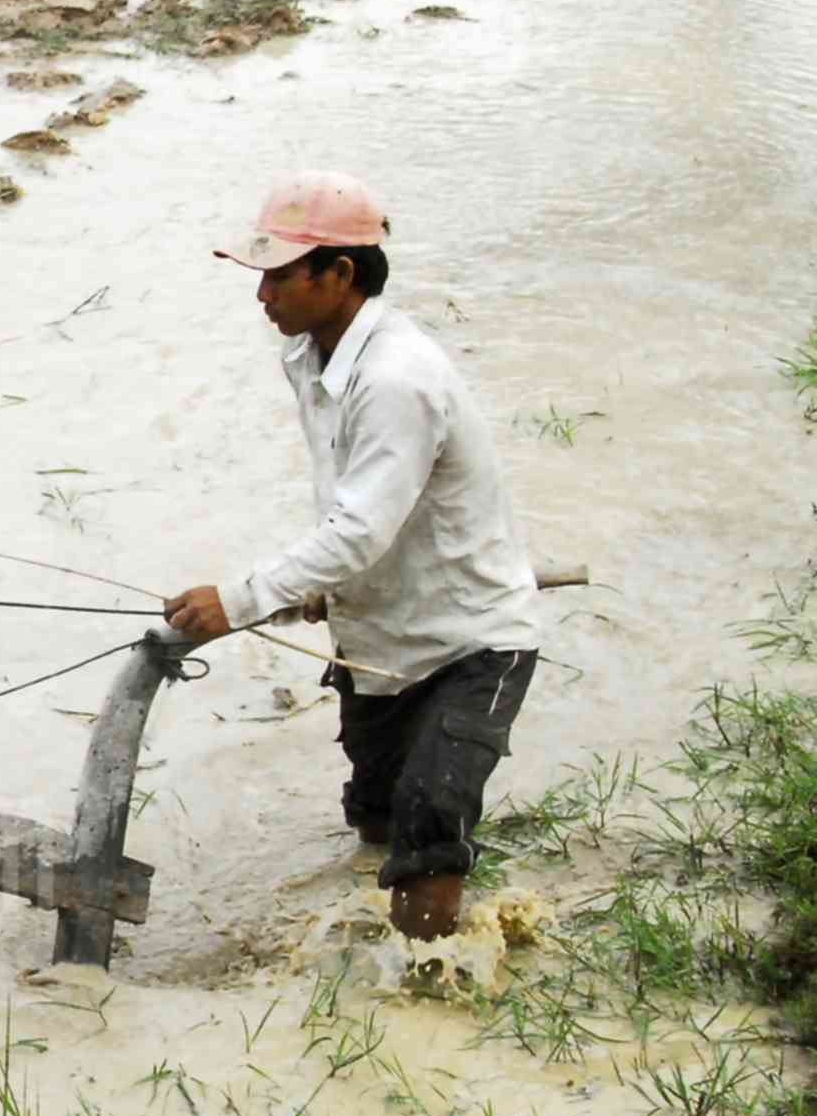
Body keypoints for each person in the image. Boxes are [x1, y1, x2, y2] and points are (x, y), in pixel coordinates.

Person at [160, 172, 542, 944]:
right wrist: (326, 588)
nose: (262, 293)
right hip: (381, 642)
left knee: (429, 822)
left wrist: (239, 601)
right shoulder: (314, 358)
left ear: (338, 275)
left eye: (277, 274)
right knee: (375, 820)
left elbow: (361, 530)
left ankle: (420, 1008)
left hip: (471, 644)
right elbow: (359, 509)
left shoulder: (398, 377)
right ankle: (385, 949)